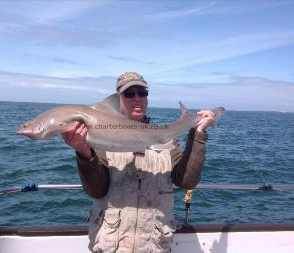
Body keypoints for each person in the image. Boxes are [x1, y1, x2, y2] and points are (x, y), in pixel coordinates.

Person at [61, 72, 214, 253]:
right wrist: (83, 151)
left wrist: (198, 134)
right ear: (119, 98)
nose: (137, 98)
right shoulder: (101, 139)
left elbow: (187, 181)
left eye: (142, 93)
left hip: (154, 246)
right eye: (129, 94)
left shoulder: (166, 140)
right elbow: (96, 190)